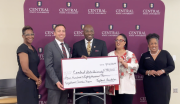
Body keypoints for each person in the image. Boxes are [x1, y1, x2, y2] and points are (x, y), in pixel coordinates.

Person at [72, 25, 108, 104]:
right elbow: (72, 64)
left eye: (91, 31)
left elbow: (106, 62)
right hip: (81, 85)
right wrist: (79, 60)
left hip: (97, 85)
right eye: (87, 31)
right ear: (83, 32)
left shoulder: (101, 44)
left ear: (94, 32)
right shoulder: (76, 45)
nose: (89, 33)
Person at [138, 33, 175, 104]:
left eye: (155, 43)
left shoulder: (165, 53)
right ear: (148, 45)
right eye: (151, 43)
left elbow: (172, 66)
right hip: (150, 84)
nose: (154, 45)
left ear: (158, 44)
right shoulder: (144, 56)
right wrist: (148, 72)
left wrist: (163, 71)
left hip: (163, 83)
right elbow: (140, 69)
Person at [106, 34, 139, 104]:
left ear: (125, 42)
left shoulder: (130, 54)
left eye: (121, 40)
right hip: (114, 88)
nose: (118, 42)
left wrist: (124, 63)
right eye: (116, 40)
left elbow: (136, 67)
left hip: (127, 87)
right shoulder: (110, 55)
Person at [44, 24, 70, 104]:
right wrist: (57, 82)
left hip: (65, 84)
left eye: (63, 31)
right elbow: (49, 66)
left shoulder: (66, 46)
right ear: (54, 33)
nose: (61, 33)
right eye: (59, 31)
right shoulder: (49, 46)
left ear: (65, 33)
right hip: (54, 85)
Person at [16, 26, 42, 104]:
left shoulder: (33, 48)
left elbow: (34, 66)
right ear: (23, 36)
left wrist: (39, 78)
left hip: (33, 81)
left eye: (32, 34)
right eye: (27, 34)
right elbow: (25, 69)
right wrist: (37, 80)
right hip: (25, 82)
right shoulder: (22, 49)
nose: (30, 36)